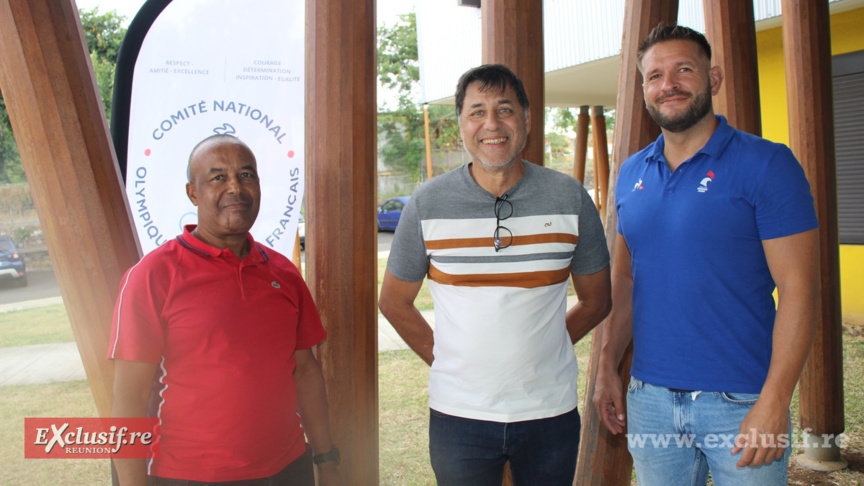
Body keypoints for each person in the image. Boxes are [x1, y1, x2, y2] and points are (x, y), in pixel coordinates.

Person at [592, 23, 819, 485]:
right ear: (643, 90)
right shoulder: (632, 172)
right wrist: (607, 367)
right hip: (650, 398)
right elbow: (626, 280)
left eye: (683, 70)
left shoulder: (768, 164)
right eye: (654, 76)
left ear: (712, 79)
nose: (668, 84)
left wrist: (774, 400)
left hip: (741, 402)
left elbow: (799, 289)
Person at [378, 64, 612, 485]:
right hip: (458, 415)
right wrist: (447, 358)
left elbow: (597, 300)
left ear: (525, 118)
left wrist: (546, 345)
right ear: (461, 124)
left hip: (549, 411)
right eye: (477, 112)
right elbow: (394, 302)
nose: (492, 124)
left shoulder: (570, 197)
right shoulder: (427, 203)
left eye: (504, 110)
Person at [108, 134, 341, 486]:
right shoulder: (153, 275)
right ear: (193, 193)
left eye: (246, 176)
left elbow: (305, 372)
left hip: (288, 469)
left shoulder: (283, 273)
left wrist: (326, 461)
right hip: (188, 476)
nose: (235, 187)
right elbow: (129, 398)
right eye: (218, 177)